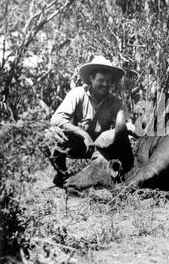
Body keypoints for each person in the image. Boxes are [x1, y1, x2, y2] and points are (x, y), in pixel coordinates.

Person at [47, 55, 132, 187]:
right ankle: (62, 173)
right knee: (51, 134)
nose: (105, 84)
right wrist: (84, 134)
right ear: (91, 79)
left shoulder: (117, 102)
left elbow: (127, 124)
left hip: (101, 149)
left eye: (109, 81)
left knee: (105, 179)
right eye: (101, 80)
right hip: (77, 144)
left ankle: (102, 175)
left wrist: (130, 128)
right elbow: (56, 119)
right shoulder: (77, 94)